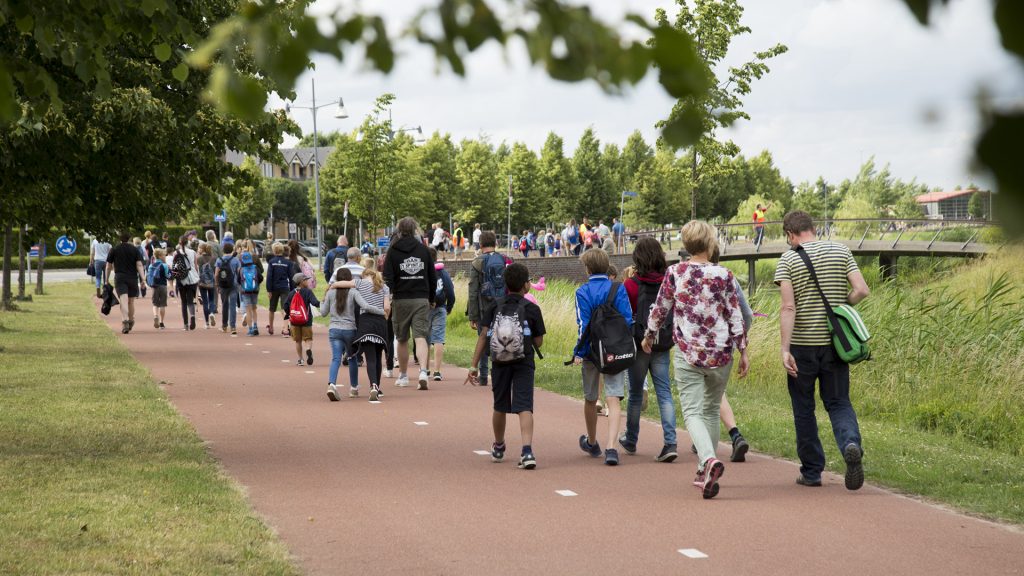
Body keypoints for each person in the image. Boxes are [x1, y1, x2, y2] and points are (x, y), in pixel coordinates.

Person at [643, 220, 749, 499]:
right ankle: (705, 468)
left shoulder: (676, 272)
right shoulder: (725, 274)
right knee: (712, 409)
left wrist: (649, 335)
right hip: (721, 352)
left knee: (691, 412)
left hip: (689, 352)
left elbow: (660, 308)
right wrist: (743, 350)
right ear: (710, 242)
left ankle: (708, 461)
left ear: (686, 244)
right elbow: (735, 314)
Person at [775, 210, 870, 490]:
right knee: (839, 402)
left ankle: (812, 471)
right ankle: (850, 443)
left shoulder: (789, 259)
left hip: (802, 346)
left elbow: (788, 307)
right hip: (834, 344)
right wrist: (843, 305)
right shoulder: (841, 251)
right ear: (812, 228)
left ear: (790, 234)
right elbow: (862, 290)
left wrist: (784, 349)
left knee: (804, 408)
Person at [466, 263, 545, 470]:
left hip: (499, 362)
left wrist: (473, 366)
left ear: (506, 285)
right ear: (526, 285)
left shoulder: (494, 305)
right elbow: (538, 342)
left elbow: (484, 335)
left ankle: (499, 446)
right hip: (524, 362)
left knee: (500, 405)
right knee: (524, 405)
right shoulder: (532, 308)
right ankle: (527, 451)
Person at [619, 238, 678, 463]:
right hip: (662, 343)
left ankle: (632, 438)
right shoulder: (668, 282)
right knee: (664, 392)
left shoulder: (631, 285)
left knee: (635, 393)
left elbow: (627, 315)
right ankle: (670, 442)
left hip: (639, 343)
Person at [573, 249, 634, 466]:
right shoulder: (617, 288)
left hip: (591, 351)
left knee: (591, 398)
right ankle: (611, 447)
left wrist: (577, 352)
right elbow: (628, 319)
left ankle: (591, 441)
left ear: (587, 268)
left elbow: (583, 325)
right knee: (614, 398)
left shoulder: (582, 292)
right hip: (615, 350)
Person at [382, 217, 437, 390]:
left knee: (402, 338)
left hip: (401, 298)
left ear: (399, 230)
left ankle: (404, 375)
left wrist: (388, 298)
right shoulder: (424, 250)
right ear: (415, 230)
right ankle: (422, 371)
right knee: (420, 336)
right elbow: (432, 277)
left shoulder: (392, 251)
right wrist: (432, 298)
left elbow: (388, 278)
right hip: (421, 298)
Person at [321, 268, 384, 401]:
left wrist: (322, 300)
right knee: (352, 358)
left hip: (334, 329)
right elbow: (365, 306)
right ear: (349, 278)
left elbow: (323, 313)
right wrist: (380, 311)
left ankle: (331, 384)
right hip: (350, 329)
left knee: (335, 358)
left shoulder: (331, 292)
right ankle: (354, 388)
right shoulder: (354, 291)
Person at [466, 231, 506, 388]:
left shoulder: (477, 263)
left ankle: (483, 376)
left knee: (483, 340)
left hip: (485, 308)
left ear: (480, 245)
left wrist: (473, 315)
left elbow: (473, 291)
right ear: (495, 243)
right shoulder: (504, 260)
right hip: (503, 306)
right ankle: (500, 372)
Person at [105, 232, 146, 334]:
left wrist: (106, 279)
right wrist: (143, 279)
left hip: (120, 278)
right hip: (132, 278)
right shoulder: (135, 249)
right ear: (129, 239)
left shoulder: (114, 249)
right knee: (131, 302)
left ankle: (125, 321)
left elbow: (108, 266)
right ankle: (131, 320)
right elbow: (139, 265)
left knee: (123, 300)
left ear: (120, 239)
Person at [427, 246, 456, 381]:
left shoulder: (423, 271)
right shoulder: (442, 272)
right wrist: (448, 307)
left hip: (424, 308)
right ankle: (437, 371)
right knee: (438, 339)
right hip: (440, 308)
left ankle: (425, 368)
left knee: (424, 338)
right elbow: (450, 291)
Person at [284, 272, 320, 366]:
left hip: (294, 320)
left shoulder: (291, 293)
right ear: (301, 282)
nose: (308, 281)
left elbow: (286, 306)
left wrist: (289, 315)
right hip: (306, 319)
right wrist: (323, 304)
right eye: (306, 280)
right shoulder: (308, 292)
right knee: (308, 338)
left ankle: (300, 359)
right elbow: (315, 303)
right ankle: (308, 350)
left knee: (298, 340)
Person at [172, 235, 200, 331]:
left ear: (179, 243)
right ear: (187, 243)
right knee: (190, 301)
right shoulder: (193, 252)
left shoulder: (176, 253)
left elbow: (174, 267)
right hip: (192, 279)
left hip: (181, 279)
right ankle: (192, 316)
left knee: (183, 302)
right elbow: (196, 267)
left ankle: (186, 324)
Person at [264, 242, 291, 336]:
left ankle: (271, 327)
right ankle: (286, 329)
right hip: (284, 287)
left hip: (274, 288)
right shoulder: (287, 262)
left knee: (272, 309)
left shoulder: (272, 262)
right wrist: (292, 289)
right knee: (285, 309)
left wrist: (269, 290)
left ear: (274, 250)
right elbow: (291, 277)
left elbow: (269, 277)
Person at [237, 244, 264, 337]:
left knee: (248, 310)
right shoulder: (255, 268)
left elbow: (238, 281)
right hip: (255, 290)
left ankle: (250, 329)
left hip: (245, 292)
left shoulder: (241, 269)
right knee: (254, 309)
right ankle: (256, 326)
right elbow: (261, 278)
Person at [215, 242, 241, 334]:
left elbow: (217, 274)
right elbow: (239, 273)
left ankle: (224, 326)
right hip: (233, 284)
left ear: (223, 250)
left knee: (224, 305)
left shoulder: (219, 260)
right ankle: (233, 327)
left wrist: (217, 285)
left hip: (223, 285)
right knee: (233, 306)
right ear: (232, 250)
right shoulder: (236, 260)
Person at [146, 248, 171, 329]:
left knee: (155, 304)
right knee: (162, 304)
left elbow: (149, 276)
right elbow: (168, 276)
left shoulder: (151, 266)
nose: (165, 256)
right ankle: (161, 322)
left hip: (154, 286)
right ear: (160, 256)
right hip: (163, 286)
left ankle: (155, 316)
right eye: (164, 255)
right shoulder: (164, 265)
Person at [196, 242, 218, 328]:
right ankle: (212, 313)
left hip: (202, 282)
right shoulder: (214, 258)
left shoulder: (199, 258)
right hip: (212, 282)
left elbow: (196, 269)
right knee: (211, 299)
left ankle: (207, 323)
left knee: (205, 302)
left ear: (203, 249)